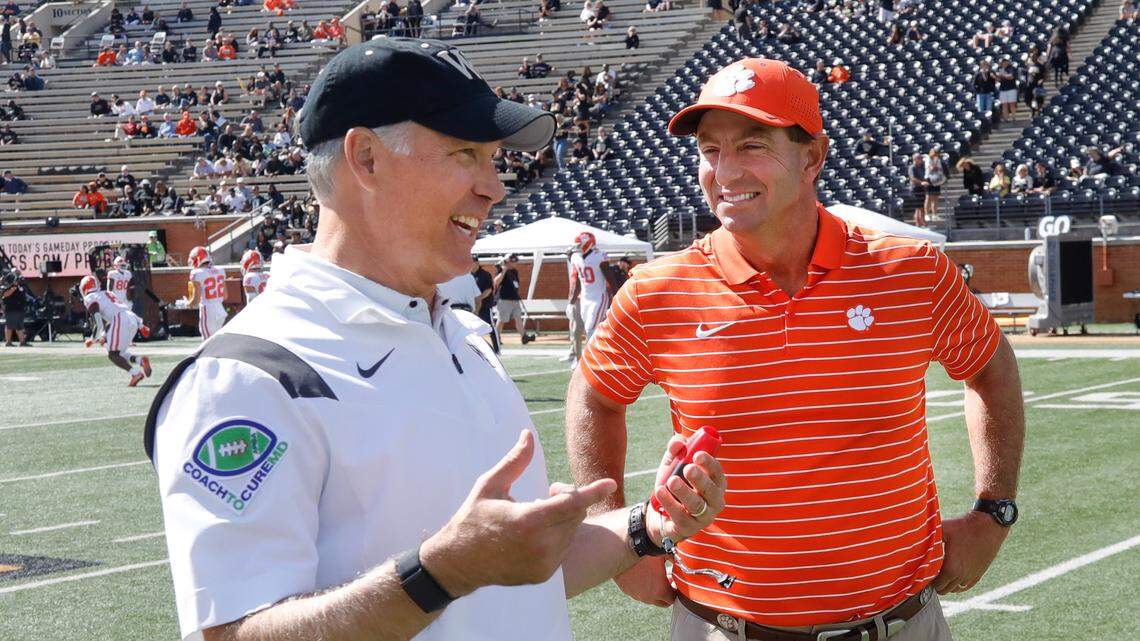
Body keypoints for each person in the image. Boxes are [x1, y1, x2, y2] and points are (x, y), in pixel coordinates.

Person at [146, 38, 726, 641]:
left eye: (494, 158)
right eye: (466, 154)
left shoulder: (463, 336)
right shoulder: (251, 374)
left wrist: (649, 525)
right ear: (365, 158)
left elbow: (507, 581)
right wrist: (440, 570)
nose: (495, 187)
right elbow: (231, 634)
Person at [565, 57, 1026, 641]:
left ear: (812, 157)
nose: (724, 171)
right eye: (710, 150)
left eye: (752, 145)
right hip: (721, 626)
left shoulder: (911, 272)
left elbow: (992, 368)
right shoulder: (659, 291)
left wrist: (994, 511)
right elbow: (594, 395)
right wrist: (621, 539)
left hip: (900, 623)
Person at [79, 275, 152, 385]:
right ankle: (140, 361)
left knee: (113, 355)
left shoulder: (90, 298)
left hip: (120, 319)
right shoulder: (108, 294)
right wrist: (141, 325)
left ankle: (135, 373)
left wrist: (92, 339)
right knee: (120, 353)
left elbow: (98, 323)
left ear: (84, 288)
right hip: (131, 318)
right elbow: (120, 311)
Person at [568, 231, 617, 344]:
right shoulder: (576, 257)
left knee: (591, 329)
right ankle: (598, 355)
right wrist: (571, 302)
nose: (577, 248)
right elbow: (579, 282)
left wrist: (616, 295)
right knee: (589, 329)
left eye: (579, 244)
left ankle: (593, 359)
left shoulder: (599, 256)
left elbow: (610, 278)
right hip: (585, 298)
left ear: (588, 244)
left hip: (598, 297)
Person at [185, 245, 229, 339]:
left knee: (207, 342)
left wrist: (189, 303)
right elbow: (225, 296)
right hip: (220, 310)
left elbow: (196, 300)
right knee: (217, 341)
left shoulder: (197, 273)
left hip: (208, 310)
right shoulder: (220, 270)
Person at [494, 253, 526, 342]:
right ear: (507, 261)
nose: (515, 263)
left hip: (515, 299)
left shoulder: (515, 271)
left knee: (518, 318)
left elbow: (516, 284)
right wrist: (504, 270)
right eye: (513, 261)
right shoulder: (501, 269)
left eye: (515, 261)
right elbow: (496, 282)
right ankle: (497, 337)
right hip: (504, 299)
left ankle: (524, 336)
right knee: (501, 320)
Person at [471, 256, 499, 353]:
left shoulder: (485, 275)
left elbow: (489, 290)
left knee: (491, 327)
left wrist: (479, 298)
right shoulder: (468, 275)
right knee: (472, 329)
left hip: (485, 306)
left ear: (477, 263)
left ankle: (497, 349)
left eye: (472, 262)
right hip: (473, 307)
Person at [2, 273, 28, 346]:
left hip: (19, 308)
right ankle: (8, 342)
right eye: (16, 279)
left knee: (19, 326)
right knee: (9, 325)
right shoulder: (6, 287)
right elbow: (5, 295)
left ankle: (22, 342)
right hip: (11, 309)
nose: (17, 281)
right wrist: (13, 288)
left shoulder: (20, 287)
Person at [907, 152, 928, 226]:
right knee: (920, 207)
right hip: (915, 190)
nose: (921, 159)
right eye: (919, 158)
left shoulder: (922, 167)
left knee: (919, 207)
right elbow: (913, 178)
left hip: (922, 189)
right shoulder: (912, 167)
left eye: (921, 158)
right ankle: (921, 224)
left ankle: (919, 224)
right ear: (915, 159)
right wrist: (922, 182)